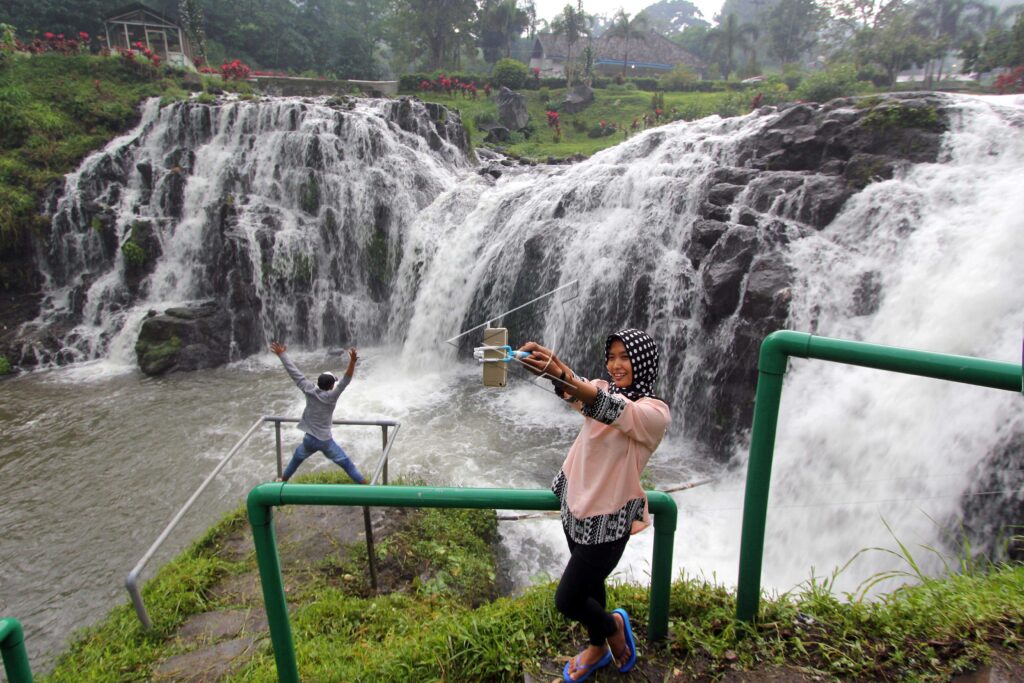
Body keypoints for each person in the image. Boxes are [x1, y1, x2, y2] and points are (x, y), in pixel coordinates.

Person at [518, 329, 670, 682]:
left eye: (625, 357)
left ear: (642, 361)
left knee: (568, 600)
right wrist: (551, 365)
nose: (616, 365)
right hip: (576, 505)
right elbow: (579, 389)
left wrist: (559, 373)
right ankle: (598, 648)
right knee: (591, 586)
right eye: (611, 356)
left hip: (609, 520)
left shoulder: (653, 414)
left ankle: (613, 626)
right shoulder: (605, 388)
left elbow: (609, 408)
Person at [270, 341, 368, 484]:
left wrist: (282, 354)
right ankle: (365, 487)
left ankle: (282, 480)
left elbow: (294, 372)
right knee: (346, 463)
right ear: (331, 386)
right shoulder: (332, 396)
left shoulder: (308, 389)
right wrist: (352, 361)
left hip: (309, 439)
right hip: (325, 441)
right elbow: (346, 380)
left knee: (296, 458)